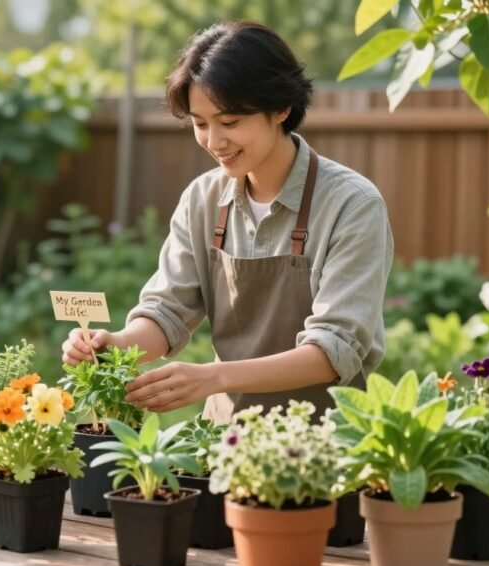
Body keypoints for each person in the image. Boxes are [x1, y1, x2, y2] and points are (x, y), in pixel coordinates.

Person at [61, 20, 393, 423]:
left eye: (230, 122)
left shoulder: (351, 204)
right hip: (225, 441)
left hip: (324, 447)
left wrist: (211, 377)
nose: (214, 142)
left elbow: (334, 350)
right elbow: (167, 311)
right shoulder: (203, 198)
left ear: (281, 108)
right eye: (200, 124)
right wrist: (113, 344)